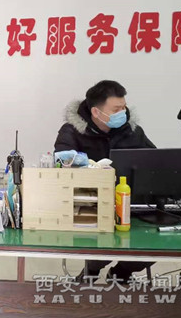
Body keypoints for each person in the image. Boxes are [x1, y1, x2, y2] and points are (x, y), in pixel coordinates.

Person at [54, 80, 155, 282]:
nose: (123, 113)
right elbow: (61, 166)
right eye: (116, 109)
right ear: (96, 112)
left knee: (155, 245)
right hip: (90, 205)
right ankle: (91, 270)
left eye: (124, 107)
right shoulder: (71, 132)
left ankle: (121, 273)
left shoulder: (132, 131)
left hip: (131, 202)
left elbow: (154, 161)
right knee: (102, 243)